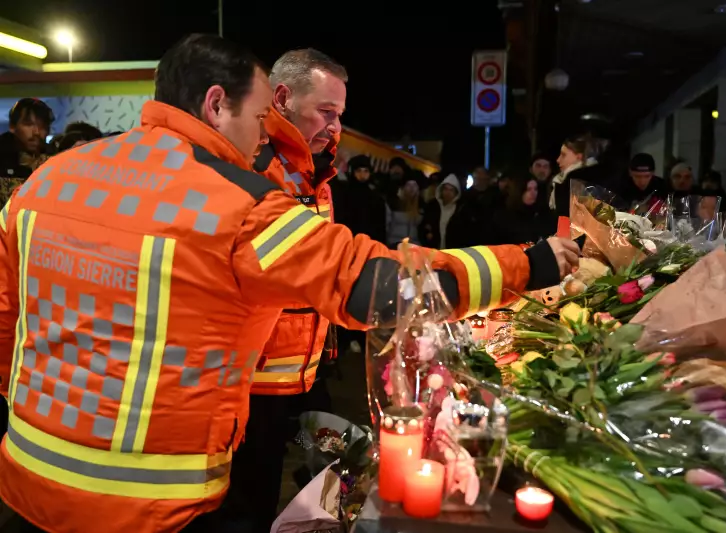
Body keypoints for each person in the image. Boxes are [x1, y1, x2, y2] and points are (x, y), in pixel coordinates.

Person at [0, 33, 581, 533]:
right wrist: (531, 265)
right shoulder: (233, 204)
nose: (261, 139)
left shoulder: (47, 181)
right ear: (215, 104)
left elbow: (9, 320)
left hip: (30, 475)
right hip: (151, 501)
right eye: (258, 121)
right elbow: (380, 287)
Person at [237, 47, 347, 531]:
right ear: (282, 97)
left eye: (340, 115)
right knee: (251, 499)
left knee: (323, 484)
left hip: (306, 366)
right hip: (257, 381)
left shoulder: (315, 171)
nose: (335, 126)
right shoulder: (255, 166)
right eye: (326, 111)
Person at [0, 98, 54, 182]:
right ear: (12, 126)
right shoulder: (3, 158)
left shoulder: (55, 160)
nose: (36, 132)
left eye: (42, 126)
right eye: (28, 124)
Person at [491, 178, 555, 245]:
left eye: (535, 189)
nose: (533, 193)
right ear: (519, 191)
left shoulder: (542, 214)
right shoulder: (504, 216)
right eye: (528, 189)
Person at [421, 173, 462, 249]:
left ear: (456, 192)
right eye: (446, 189)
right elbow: (425, 224)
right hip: (433, 250)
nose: (448, 193)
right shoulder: (433, 206)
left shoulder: (460, 210)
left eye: (451, 190)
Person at [386, 175, 424, 248]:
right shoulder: (394, 204)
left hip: (414, 246)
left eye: (414, 185)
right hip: (394, 244)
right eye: (408, 185)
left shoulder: (422, 207)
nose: (411, 188)